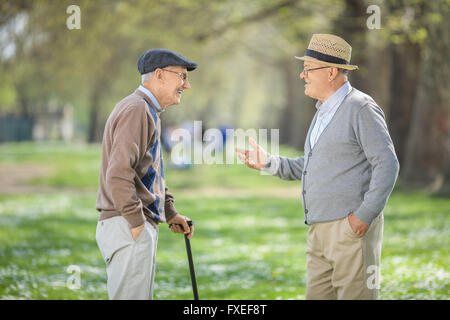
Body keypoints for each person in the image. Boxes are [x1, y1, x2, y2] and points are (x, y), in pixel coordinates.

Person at [236, 34, 399, 300]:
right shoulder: (322, 111)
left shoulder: (361, 108)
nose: (303, 75)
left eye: (308, 68)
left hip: (350, 229)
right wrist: (268, 162)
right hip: (318, 230)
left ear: (332, 72)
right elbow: (311, 166)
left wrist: (363, 216)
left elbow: (387, 164)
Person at [95, 48, 197, 299]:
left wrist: (169, 212)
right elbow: (118, 173)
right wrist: (137, 222)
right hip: (128, 224)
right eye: (182, 77)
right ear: (160, 75)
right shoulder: (137, 110)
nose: (187, 85)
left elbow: (148, 171)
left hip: (132, 223)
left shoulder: (146, 110)